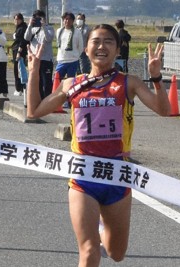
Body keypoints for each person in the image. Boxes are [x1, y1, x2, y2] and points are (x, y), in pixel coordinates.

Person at [26, 24, 170, 266]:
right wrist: (33, 71)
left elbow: (163, 110)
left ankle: (103, 226)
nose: (101, 47)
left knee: (116, 253)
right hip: (83, 176)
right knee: (89, 250)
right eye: (96, 41)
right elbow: (34, 111)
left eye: (108, 42)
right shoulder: (72, 84)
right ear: (85, 48)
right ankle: (95, 230)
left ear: (118, 50)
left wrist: (156, 77)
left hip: (116, 175)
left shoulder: (128, 83)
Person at [24, 9, 55, 99]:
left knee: (47, 82)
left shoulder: (49, 28)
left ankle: (47, 101)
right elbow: (26, 37)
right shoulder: (33, 29)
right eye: (36, 18)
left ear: (44, 18)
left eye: (40, 18)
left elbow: (49, 39)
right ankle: (39, 101)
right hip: (35, 60)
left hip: (46, 59)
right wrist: (30, 24)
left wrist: (44, 26)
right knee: (37, 82)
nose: (38, 20)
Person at [54, 12, 83, 88]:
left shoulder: (77, 32)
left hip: (73, 61)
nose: (67, 21)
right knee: (56, 80)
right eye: (66, 19)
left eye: (70, 19)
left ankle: (69, 98)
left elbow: (80, 47)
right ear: (63, 20)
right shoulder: (59, 31)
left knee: (71, 82)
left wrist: (75, 56)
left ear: (73, 21)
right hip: (61, 60)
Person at [11, 13, 28, 96]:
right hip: (16, 50)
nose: (16, 21)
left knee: (18, 70)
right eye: (15, 19)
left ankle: (19, 89)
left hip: (19, 51)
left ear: (21, 19)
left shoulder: (22, 28)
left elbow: (22, 41)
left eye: (18, 19)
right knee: (19, 69)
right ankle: (20, 88)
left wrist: (19, 52)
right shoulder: (19, 27)